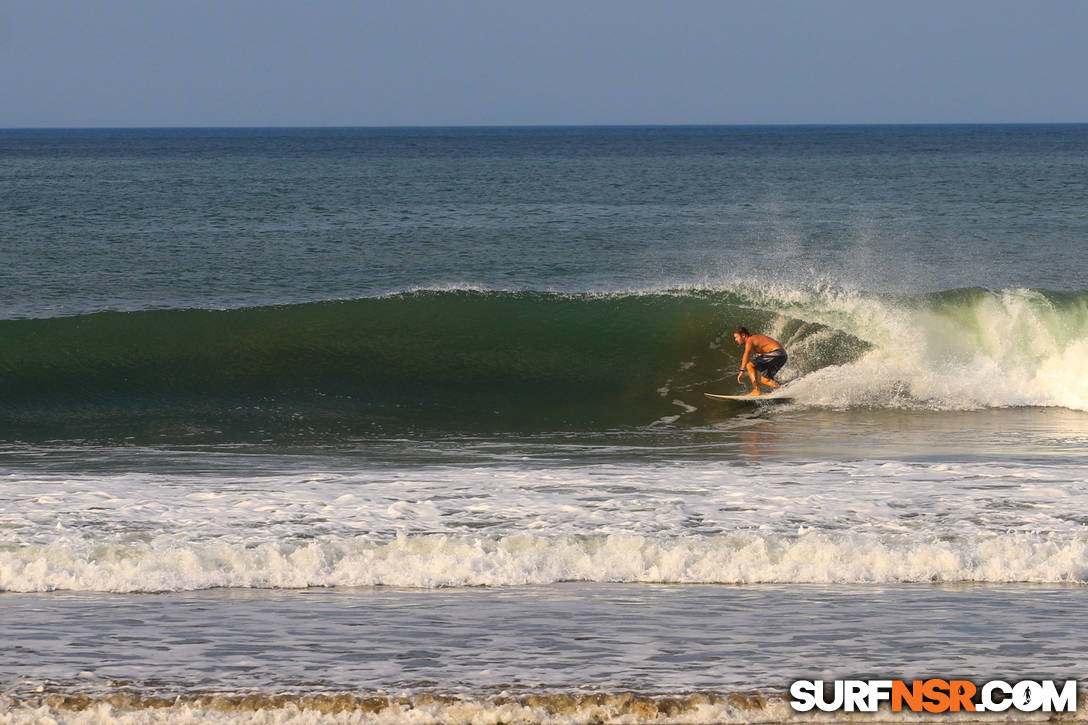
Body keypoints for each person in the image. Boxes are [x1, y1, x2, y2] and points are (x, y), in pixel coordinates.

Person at [734, 326, 787, 396]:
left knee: (749, 365)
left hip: (776, 353)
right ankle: (784, 389)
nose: (735, 339)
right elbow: (762, 354)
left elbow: (745, 355)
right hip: (782, 355)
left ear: (743, 335)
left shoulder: (750, 340)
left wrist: (741, 371)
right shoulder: (756, 339)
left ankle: (756, 390)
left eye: (736, 337)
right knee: (765, 379)